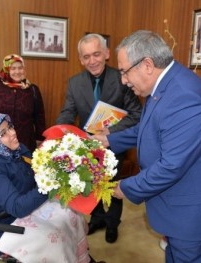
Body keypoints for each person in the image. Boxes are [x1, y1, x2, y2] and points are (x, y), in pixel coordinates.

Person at [93, 30, 201, 262]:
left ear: (147, 65)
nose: (123, 80)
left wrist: (125, 187)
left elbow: (171, 166)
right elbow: (148, 128)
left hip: (200, 218)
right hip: (182, 213)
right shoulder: (166, 86)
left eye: (124, 72)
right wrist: (109, 139)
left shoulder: (185, 99)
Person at [0, 111, 93, 262]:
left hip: (21, 210)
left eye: (10, 126)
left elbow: (36, 170)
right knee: (54, 238)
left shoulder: (17, 150)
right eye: (3, 133)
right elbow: (18, 207)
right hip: (0, 227)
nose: (13, 133)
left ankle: (79, 257)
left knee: (71, 212)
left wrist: (61, 163)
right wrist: (50, 183)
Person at [56, 33, 142, 243]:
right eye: (86, 57)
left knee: (112, 186)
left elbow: (137, 115)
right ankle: (97, 218)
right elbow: (68, 111)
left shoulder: (123, 78)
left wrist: (110, 132)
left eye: (96, 54)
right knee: (92, 184)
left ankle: (113, 223)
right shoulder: (75, 83)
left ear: (106, 53)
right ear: (80, 59)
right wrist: (61, 129)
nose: (92, 61)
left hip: (115, 144)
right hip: (88, 147)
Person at [0, 54, 45, 152]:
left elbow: (39, 116)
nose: (17, 71)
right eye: (13, 68)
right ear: (6, 70)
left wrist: (40, 138)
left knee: (24, 167)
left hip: (25, 142)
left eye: (20, 68)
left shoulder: (33, 89)